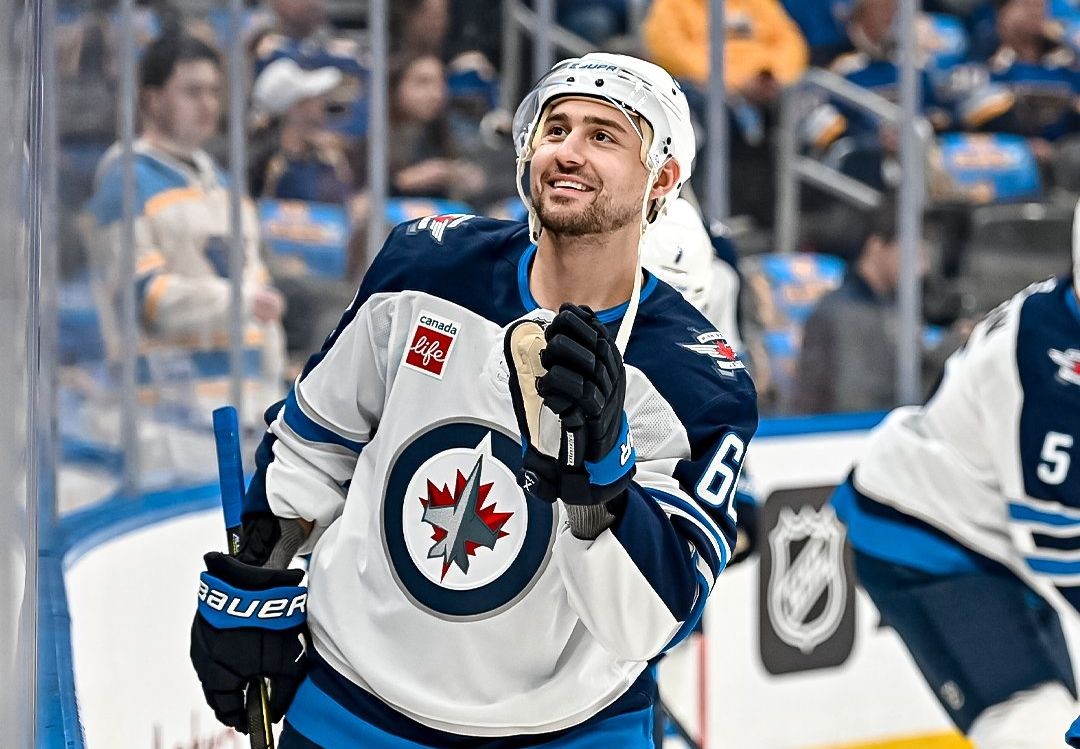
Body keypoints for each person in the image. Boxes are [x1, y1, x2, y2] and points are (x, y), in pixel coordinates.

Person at [190, 52, 757, 747]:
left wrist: (601, 485)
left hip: (569, 731)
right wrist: (258, 574)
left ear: (662, 178)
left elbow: (643, 626)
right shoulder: (427, 266)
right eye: (555, 129)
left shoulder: (699, 379)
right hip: (353, 708)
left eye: (603, 135)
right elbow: (317, 442)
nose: (568, 151)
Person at [830, 201, 1080, 748]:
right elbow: (1055, 542)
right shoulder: (1052, 367)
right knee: (1033, 726)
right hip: (927, 535)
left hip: (997, 541)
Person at [80, 33, 286, 424]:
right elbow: (143, 297)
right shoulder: (125, 181)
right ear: (151, 99)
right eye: (192, 92)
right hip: (167, 412)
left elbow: (262, 304)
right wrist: (240, 301)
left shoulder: (225, 187)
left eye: (214, 91)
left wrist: (274, 393)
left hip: (246, 405)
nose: (207, 104)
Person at [789, 198, 929, 414]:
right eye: (910, 252)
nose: (921, 266)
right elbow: (827, 400)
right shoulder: (837, 312)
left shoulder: (900, 308)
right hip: (846, 430)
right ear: (877, 246)